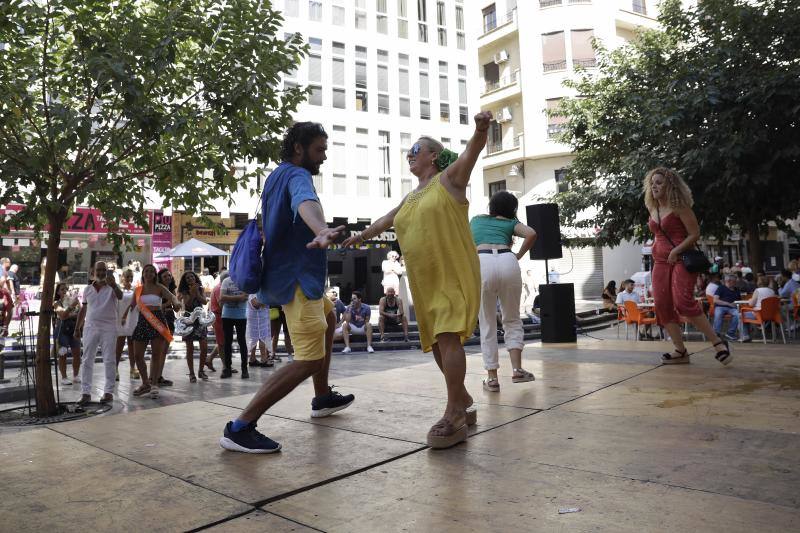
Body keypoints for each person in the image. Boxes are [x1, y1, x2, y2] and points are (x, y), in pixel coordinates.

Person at [343, 111, 491, 448]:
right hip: (424, 282)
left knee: (448, 338)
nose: (409, 155)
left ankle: (454, 412)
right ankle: (464, 398)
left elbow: (471, 152)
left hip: (451, 273)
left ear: (433, 156)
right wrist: (361, 235)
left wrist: (481, 129)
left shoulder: (449, 179)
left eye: (415, 149)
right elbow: (386, 219)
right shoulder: (411, 196)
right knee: (439, 343)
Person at [220, 122, 354, 453]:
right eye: (319, 149)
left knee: (329, 318)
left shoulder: (276, 174)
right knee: (308, 359)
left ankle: (322, 398)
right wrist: (321, 229)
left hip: (293, 278)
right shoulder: (297, 176)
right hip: (296, 281)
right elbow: (304, 202)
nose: (324, 157)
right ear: (299, 148)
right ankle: (241, 426)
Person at [644, 167, 732, 365]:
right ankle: (680, 351)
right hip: (660, 261)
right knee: (662, 304)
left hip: (682, 259)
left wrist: (675, 251)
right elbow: (658, 233)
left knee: (682, 301)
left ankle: (718, 343)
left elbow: (695, 234)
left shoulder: (680, 207)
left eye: (659, 182)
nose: (654, 186)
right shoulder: (653, 207)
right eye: (652, 182)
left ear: (670, 185)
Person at [469, 190, 538, 392]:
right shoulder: (510, 223)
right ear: (511, 208)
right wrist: (518, 255)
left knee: (487, 322)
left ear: (492, 206)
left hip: (482, 261)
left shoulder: (477, 220)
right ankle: (517, 369)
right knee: (512, 318)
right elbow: (532, 233)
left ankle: (492, 379)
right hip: (508, 259)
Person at [74, 261, 123, 405]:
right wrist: (77, 327)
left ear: (107, 271)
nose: (101, 273)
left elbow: (120, 297)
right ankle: (85, 393)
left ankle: (108, 392)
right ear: (93, 272)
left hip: (109, 327)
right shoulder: (88, 289)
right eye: (99, 270)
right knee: (87, 359)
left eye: (104, 270)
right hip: (90, 327)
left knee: (109, 359)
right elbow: (83, 309)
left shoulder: (113, 287)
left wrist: (113, 284)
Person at [129, 264, 179, 398]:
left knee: (157, 354)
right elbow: (132, 306)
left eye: (152, 271)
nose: (149, 273)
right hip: (142, 321)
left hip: (157, 320)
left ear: (155, 275)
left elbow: (172, 297)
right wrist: (124, 318)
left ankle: (154, 384)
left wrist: (176, 302)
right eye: (147, 271)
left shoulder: (159, 287)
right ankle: (145, 383)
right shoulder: (138, 289)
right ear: (143, 274)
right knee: (138, 355)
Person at [177, 271, 210, 382]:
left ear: (195, 278)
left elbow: (204, 302)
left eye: (192, 276)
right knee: (189, 348)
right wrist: (192, 293)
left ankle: (201, 370)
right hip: (188, 319)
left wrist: (197, 293)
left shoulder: (200, 289)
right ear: (185, 281)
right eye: (187, 278)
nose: (190, 278)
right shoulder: (184, 291)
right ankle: (191, 373)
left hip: (200, 319)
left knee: (204, 347)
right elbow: (188, 304)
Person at [220, 275, 250, 379]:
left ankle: (244, 369)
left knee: (242, 342)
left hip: (241, 315)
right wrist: (239, 297)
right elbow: (222, 297)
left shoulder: (245, 280)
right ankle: (227, 369)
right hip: (227, 315)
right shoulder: (226, 281)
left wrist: (230, 298)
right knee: (227, 342)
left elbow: (245, 297)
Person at [54, 283, 81, 385]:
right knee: (63, 354)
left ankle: (76, 375)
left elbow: (80, 313)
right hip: (62, 331)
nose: (65, 291)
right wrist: (71, 308)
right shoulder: (56, 303)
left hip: (74, 330)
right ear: (58, 292)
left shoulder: (74, 301)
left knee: (77, 353)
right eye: (62, 289)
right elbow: (63, 316)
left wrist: (73, 311)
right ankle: (64, 377)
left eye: (66, 289)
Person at [156, 268, 178, 386]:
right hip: (160, 319)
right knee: (158, 350)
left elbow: (177, 308)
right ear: (160, 278)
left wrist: (177, 302)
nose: (168, 278)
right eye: (165, 276)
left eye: (169, 276)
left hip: (170, 319)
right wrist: (168, 303)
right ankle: (154, 376)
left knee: (164, 350)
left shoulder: (172, 290)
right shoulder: (158, 289)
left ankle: (159, 376)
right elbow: (157, 306)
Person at [116, 269, 139, 380]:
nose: (129, 279)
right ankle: (115, 369)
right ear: (123, 277)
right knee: (119, 344)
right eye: (127, 276)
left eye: (131, 277)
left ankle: (132, 368)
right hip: (120, 319)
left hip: (132, 319)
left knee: (132, 344)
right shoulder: (118, 289)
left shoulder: (136, 289)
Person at [741, 275, 777, 342]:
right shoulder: (772, 291)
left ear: (759, 282)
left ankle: (745, 335)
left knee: (741, 315)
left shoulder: (757, 290)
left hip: (758, 314)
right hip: (771, 315)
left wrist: (749, 300)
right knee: (746, 314)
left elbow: (751, 304)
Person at [206, 269, 228, 372]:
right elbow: (221, 304)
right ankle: (225, 366)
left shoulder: (219, 287)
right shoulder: (220, 288)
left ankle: (209, 359)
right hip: (219, 317)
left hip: (219, 316)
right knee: (221, 343)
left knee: (222, 341)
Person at [246, 294, 272, 367]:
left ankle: (252, 359)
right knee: (261, 337)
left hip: (259, 316)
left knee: (255, 337)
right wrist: (268, 300)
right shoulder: (253, 291)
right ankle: (264, 359)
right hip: (257, 317)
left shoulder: (253, 289)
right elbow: (255, 304)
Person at [712, 274, 741, 341]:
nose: (736, 282)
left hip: (732, 308)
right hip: (720, 306)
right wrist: (728, 304)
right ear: (728, 281)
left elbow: (739, 300)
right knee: (718, 314)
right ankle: (716, 334)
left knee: (738, 315)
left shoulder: (736, 289)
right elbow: (715, 300)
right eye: (734, 281)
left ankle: (730, 333)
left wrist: (736, 303)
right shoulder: (721, 288)